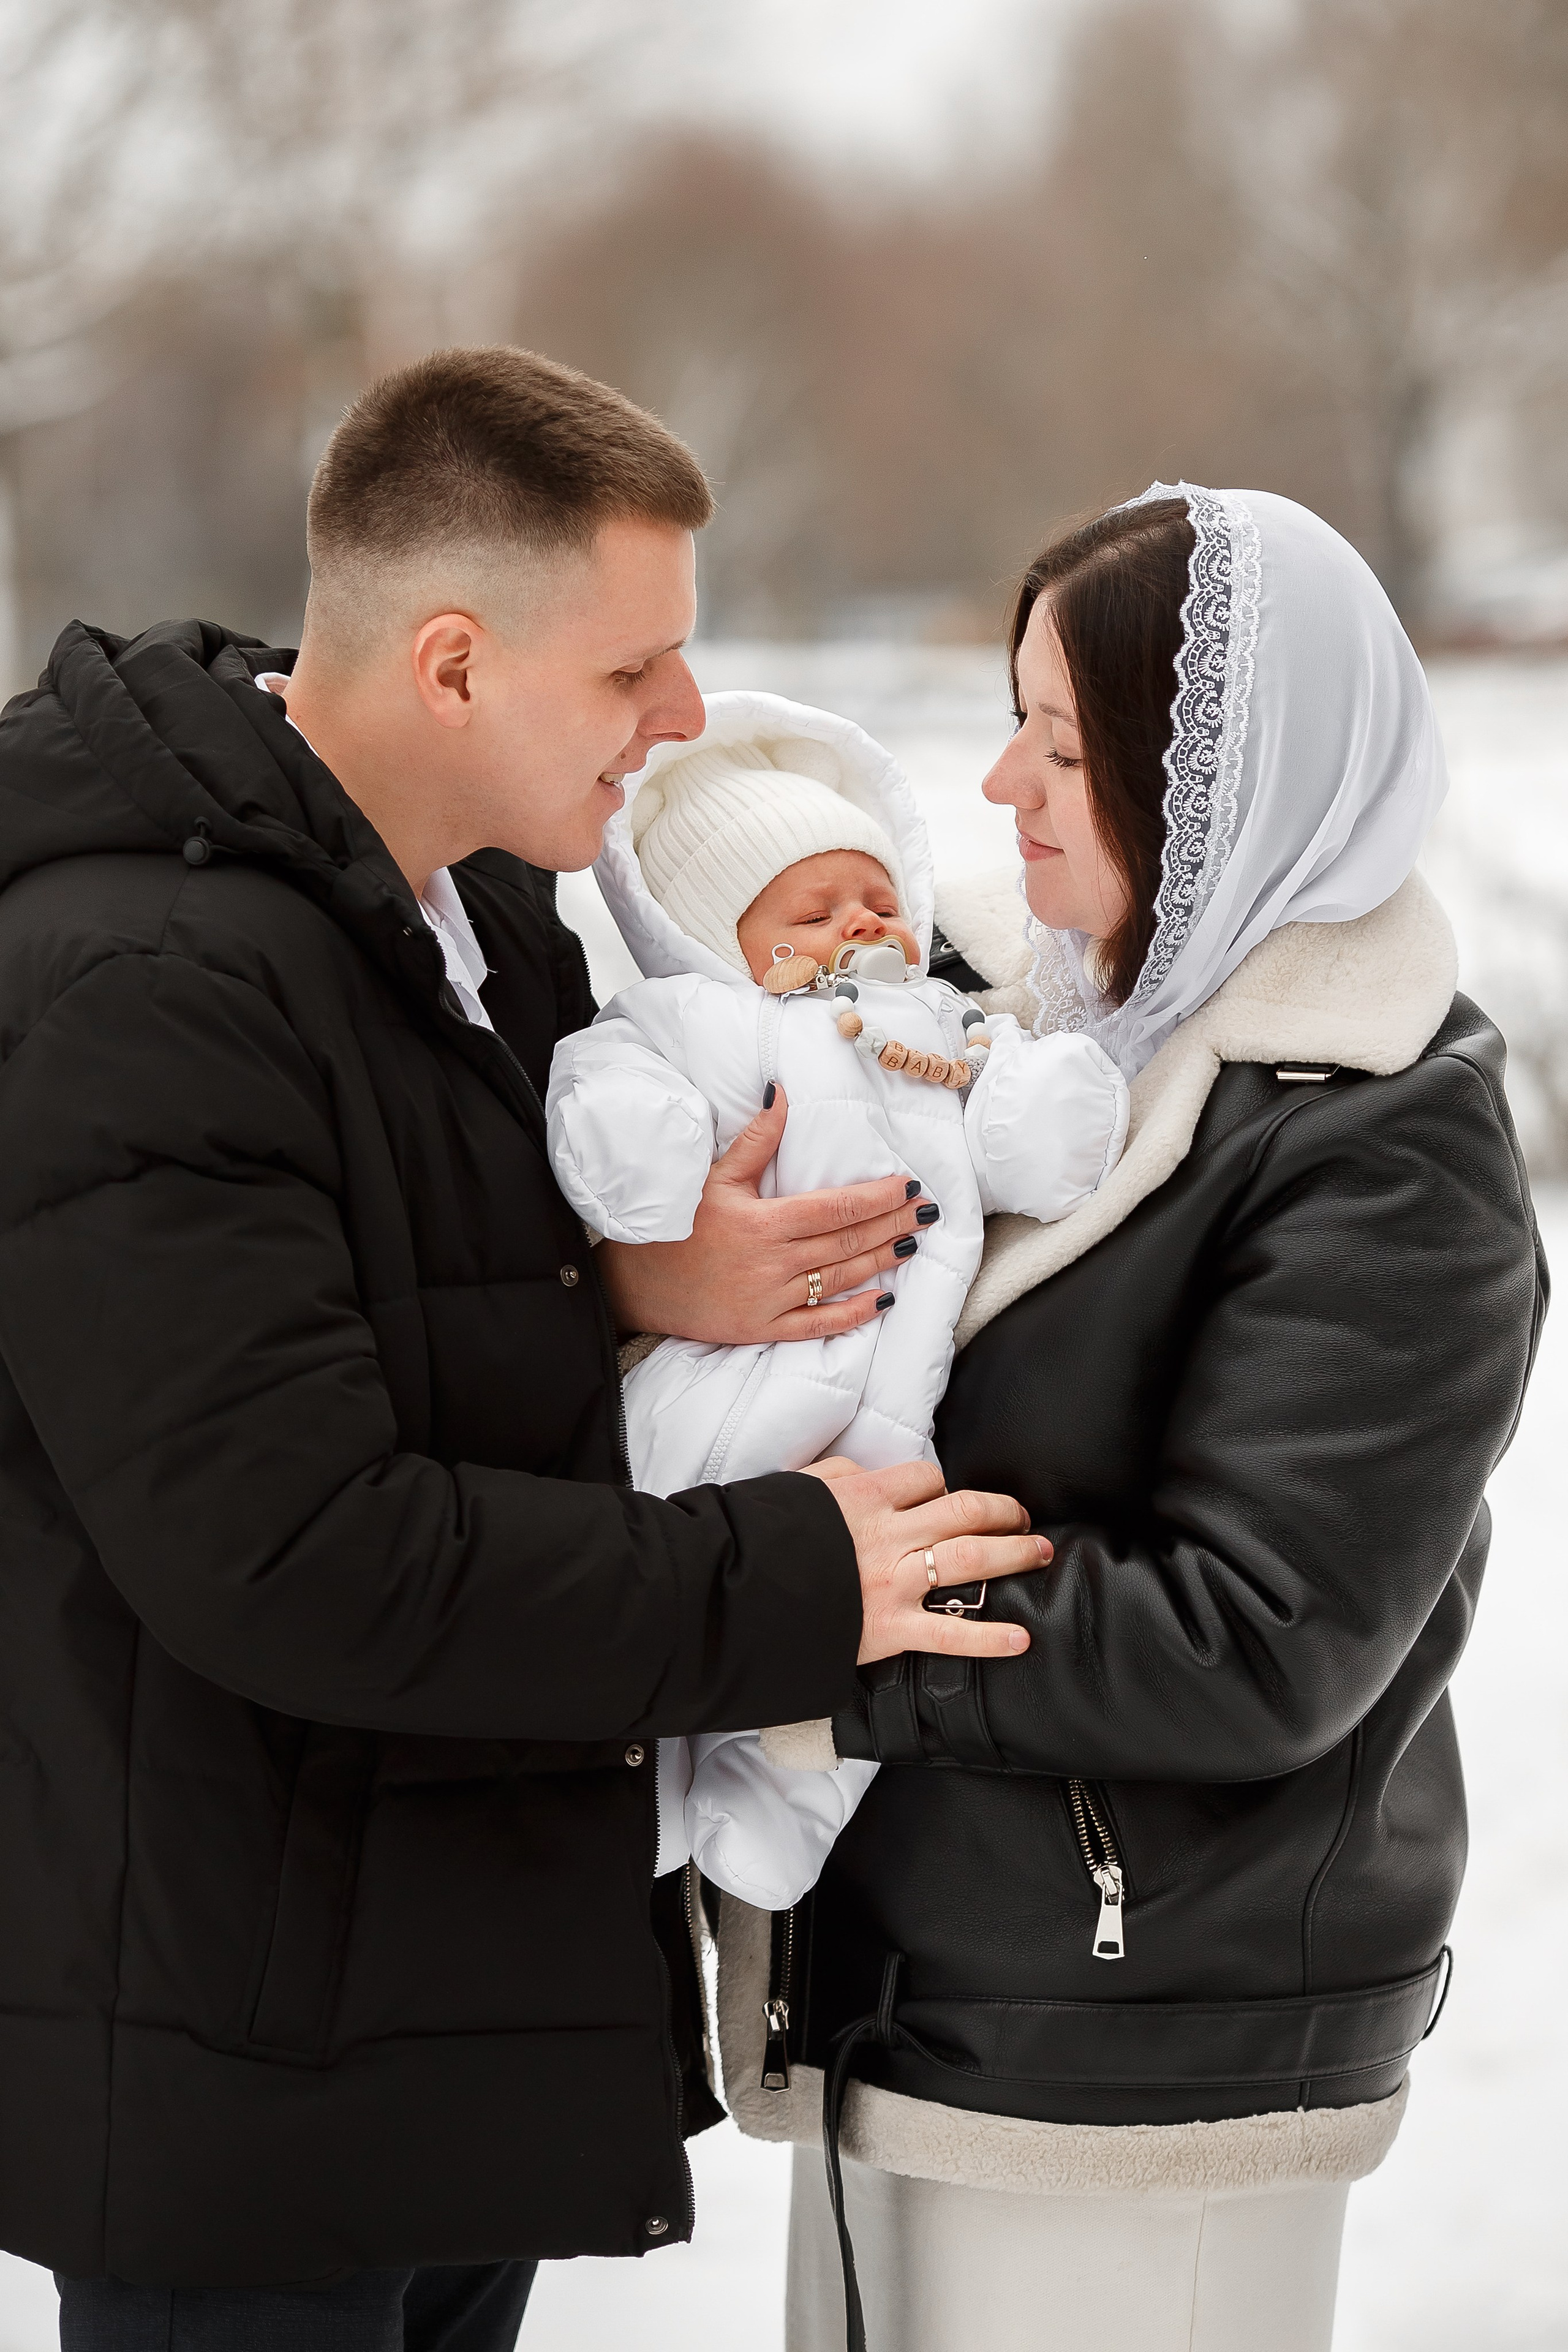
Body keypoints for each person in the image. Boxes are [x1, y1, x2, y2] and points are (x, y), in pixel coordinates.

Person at [0, 345, 1047, 2352]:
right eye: (634, 671)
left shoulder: (488, 914)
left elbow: (400, 1314)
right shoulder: (139, 985)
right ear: (456, 665)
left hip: (439, 2021)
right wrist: (797, 1577)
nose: (681, 725)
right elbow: (293, 1552)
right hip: (249, 2069)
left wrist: (633, 1289)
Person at [708, 486, 1548, 2352]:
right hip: (921, 2008)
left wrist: (812, 1638)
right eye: (1014, 717)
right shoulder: (1031, 1040)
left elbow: (1256, 1640)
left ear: (1228, 782)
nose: (1000, 785)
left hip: (1150, 2062)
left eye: (1066, 742)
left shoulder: (1379, 1144)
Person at [547, 688, 1127, 1913]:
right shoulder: (697, 1018)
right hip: (711, 1385)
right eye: (813, 911)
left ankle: (776, 1803)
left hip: (883, 1405)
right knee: (665, 1559)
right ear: (718, 935)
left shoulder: (937, 1030)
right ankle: (625, 1788)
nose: (860, 924)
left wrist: (1045, 1106)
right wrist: (641, 1157)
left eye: (875, 899)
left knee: (859, 1611)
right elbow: (603, 1083)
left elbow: (1009, 1130)